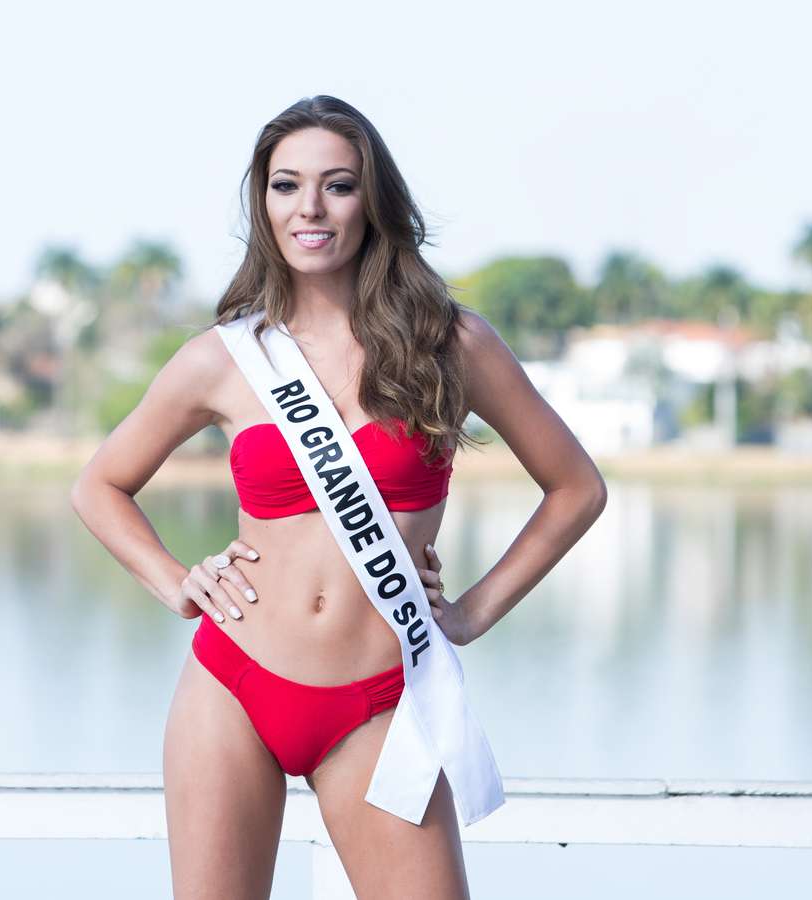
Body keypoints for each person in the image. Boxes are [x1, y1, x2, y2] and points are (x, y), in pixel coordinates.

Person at [69, 95, 608, 900]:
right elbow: (98, 486)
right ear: (264, 204)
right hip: (232, 687)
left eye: (339, 184)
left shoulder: (451, 344)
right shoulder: (226, 357)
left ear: (372, 200)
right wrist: (177, 583)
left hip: (381, 703)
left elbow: (576, 489)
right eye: (286, 185)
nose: (310, 208)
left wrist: (471, 614)